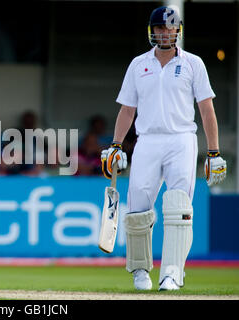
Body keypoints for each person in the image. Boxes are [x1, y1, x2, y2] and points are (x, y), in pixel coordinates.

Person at [101, 6, 226, 291]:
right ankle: (140, 270)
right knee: (138, 209)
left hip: (182, 138)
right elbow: (126, 110)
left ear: (177, 31)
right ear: (152, 31)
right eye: (160, 28)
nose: (165, 33)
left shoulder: (194, 63)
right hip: (147, 141)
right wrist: (116, 145)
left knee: (178, 206)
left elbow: (207, 110)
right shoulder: (138, 64)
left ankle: (172, 272)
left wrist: (214, 152)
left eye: (170, 28)